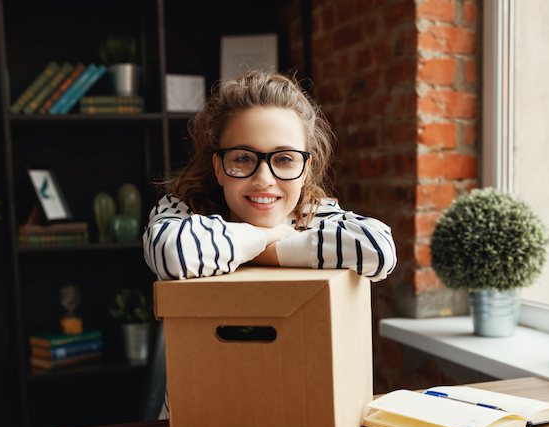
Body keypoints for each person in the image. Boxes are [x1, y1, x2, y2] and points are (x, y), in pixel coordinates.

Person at [143, 70, 396, 282]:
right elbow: (173, 253)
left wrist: (267, 252)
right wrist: (269, 236)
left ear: (305, 171)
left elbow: (379, 249)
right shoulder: (182, 208)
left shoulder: (313, 213)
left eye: (284, 159)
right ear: (219, 168)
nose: (264, 179)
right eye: (243, 158)